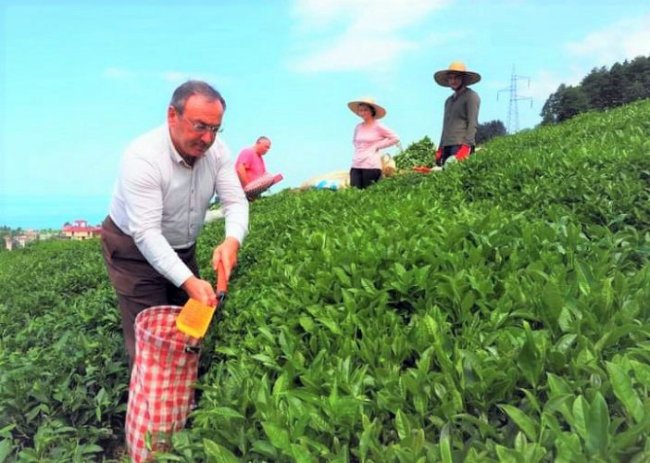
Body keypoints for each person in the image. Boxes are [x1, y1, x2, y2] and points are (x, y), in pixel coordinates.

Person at [101, 80, 249, 365]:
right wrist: (188, 280)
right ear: (172, 115)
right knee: (153, 340)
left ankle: (184, 396)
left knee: (189, 328)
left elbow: (235, 201)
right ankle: (150, 401)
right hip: (132, 250)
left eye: (215, 129)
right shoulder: (142, 158)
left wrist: (232, 240)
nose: (207, 138)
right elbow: (145, 233)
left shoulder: (217, 152)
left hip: (182, 246)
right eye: (200, 126)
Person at [433, 61, 481, 166]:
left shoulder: (471, 96)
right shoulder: (448, 101)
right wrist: (440, 148)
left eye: (456, 77)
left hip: (460, 144)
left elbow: (473, 123)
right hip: (447, 146)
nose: (453, 81)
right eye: (450, 78)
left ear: (463, 78)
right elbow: (445, 127)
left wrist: (466, 147)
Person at [348, 97, 400, 189]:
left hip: (371, 165)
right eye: (360, 110)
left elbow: (395, 138)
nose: (363, 112)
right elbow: (355, 141)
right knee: (354, 192)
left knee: (369, 193)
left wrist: (377, 146)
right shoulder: (358, 127)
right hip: (356, 164)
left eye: (365, 110)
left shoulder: (378, 126)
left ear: (372, 111)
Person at [235, 136, 283, 200]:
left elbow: (262, 174)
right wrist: (247, 186)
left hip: (254, 192)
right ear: (258, 143)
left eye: (268, 148)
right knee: (269, 176)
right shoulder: (248, 152)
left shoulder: (260, 158)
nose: (267, 150)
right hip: (243, 190)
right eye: (266, 147)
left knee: (274, 176)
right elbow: (240, 169)